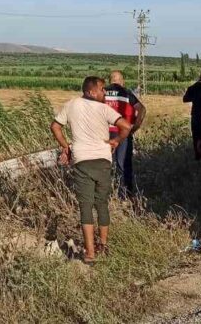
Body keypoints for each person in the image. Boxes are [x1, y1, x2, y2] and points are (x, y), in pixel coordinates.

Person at [50, 76, 131, 264]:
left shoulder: (71, 105)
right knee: (101, 204)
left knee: (85, 206)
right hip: (103, 160)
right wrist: (116, 141)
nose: (105, 93)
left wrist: (66, 147)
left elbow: (55, 127)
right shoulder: (104, 109)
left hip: (82, 161)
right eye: (102, 89)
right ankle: (103, 245)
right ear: (90, 91)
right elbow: (126, 126)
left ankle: (90, 253)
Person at [105, 70, 146, 198]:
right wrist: (135, 127)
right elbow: (142, 109)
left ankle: (105, 193)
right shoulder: (127, 93)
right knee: (124, 164)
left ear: (110, 80)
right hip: (124, 133)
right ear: (122, 81)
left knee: (104, 164)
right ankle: (125, 195)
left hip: (105, 134)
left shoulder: (102, 92)